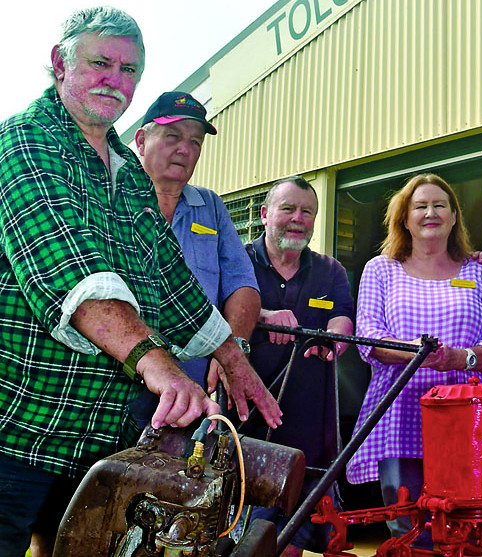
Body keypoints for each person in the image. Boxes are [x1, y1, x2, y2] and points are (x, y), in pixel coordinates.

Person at [0, 8, 280, 557]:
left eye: (130, 70)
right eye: (101, 63)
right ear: (60, 63)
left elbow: (169, 275)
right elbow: (67, 269)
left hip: (98, 441)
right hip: (16, 429)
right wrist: (159, 364)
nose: (115, 80)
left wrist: (233, 356)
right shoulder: (23, 142)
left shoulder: (127, 170)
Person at [346, 173, 482, 546]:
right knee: (408, 528)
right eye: (419, 206)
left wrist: (458, 358)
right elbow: (368, 337)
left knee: (468, 525)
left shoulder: (480, 271)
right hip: (400, 410)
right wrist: (419, 354)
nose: (430, 213)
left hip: (467, 416)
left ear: (454, 216)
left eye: (440, 205)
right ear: (404, 218)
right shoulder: (381, 269)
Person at [131, 91, 262, 426]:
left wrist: (231, 349)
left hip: (194, 394)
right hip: (122, 387)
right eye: (173, 136)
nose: (185, 150)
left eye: (196, 142)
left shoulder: (211, 206)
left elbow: (242, 284)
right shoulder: (116, 201)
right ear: (142, 141)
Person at [245, 176, 354, 557]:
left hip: (311, 417)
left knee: (292, 532)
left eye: (307, 212)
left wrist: (335, 339)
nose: (298, 219)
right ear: (264, 214)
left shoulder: (330, 270)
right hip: (246, 415)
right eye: (288, 209)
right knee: (242, 525)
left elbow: (343, 319)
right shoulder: (238, 260)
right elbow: (217, 311)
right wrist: (262, 315)